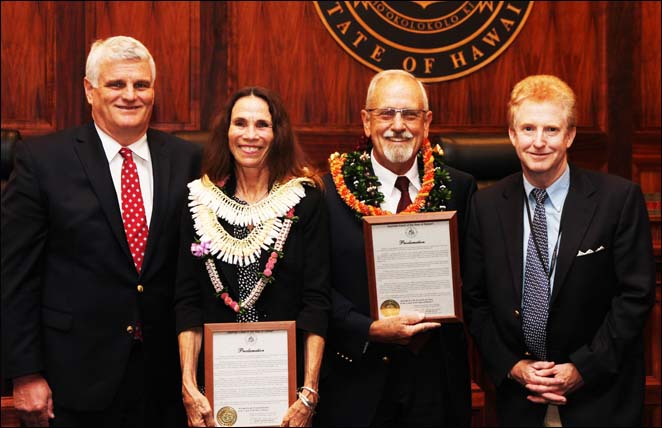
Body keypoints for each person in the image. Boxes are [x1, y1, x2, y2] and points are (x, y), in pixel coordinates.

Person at [0, 36, 202, 427]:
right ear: (89, 91)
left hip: (166, 382)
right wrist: (24, 372)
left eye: (141, 85)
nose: (130, 95)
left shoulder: (187, 159)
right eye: (116, 84)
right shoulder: (43, 160)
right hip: (73, 379)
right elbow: (14, 275)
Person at [462, 74, 656, 426]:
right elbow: (475, 301)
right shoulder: (485, 207)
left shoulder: (618, 200)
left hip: (600, 398)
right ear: (511, 135)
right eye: (528, 129)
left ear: (570, 135)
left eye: (551, 130)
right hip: (518, 400)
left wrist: (583, 367)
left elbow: (635, 297)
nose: (539, 142)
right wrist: (512, 366)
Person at [315, 69, 476, 427]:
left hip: (437, 382)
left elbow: (475, 280)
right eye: (386, 113)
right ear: (366, 121)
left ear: (427, 122)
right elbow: (316, 287)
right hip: (357, 381)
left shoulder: (460, 190)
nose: (398, 125)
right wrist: (367, 328)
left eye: (410, 114)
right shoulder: (326, 195)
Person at [174, 86, 331, 427]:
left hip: (289, 388)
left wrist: (309, 392)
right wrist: (188, 386)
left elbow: (316, 302)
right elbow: (187, 301)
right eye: (240, 123)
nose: (250, 135)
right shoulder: (200, 202)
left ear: (277, 134)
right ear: (226, 131)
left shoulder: (304, 201)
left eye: (262, 125)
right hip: (214, 390)